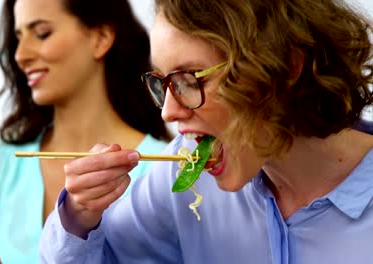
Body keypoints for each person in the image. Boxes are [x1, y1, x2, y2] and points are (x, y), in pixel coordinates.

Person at [39, 0, 373, 263]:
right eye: (163, 82)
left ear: (287, 68)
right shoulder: (184, 175)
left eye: (189, 79)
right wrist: (80, 214)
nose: (169, 111)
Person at [0, 0, 171, 263]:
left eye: (42, 33)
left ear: (101, 37)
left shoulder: (167, 170)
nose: (21, 55)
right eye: (18, 37)